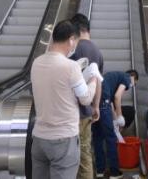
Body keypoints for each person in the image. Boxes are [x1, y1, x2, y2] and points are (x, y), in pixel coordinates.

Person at [30, 20, 102, 179]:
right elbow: (85, 99)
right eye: (75, 42)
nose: (74, 46)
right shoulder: (70, 67)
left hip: (39, 139)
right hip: (63, 139)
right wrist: (93, 79)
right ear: (71, 40)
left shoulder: (36, 63)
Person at [69, 13, 104, 179]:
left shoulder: (73, 49)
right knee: (85, 153)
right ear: (88, 29)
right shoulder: (98, 52)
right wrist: (96, 106)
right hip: (87, 111)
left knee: (69, 155)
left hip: (72, 111)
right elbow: (98, 81)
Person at [93, 69, 138, 178]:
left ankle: (100, 171)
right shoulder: (126, 78)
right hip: (103, 102)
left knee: (98, 138)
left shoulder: (113, 78)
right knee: (111, 138)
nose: (132, 86)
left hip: (95, 102)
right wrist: (120, 117)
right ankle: (114, 172)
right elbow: (118, 97)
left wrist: (115, 119)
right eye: (134, 84)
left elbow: (112, 104)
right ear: (133, 77)